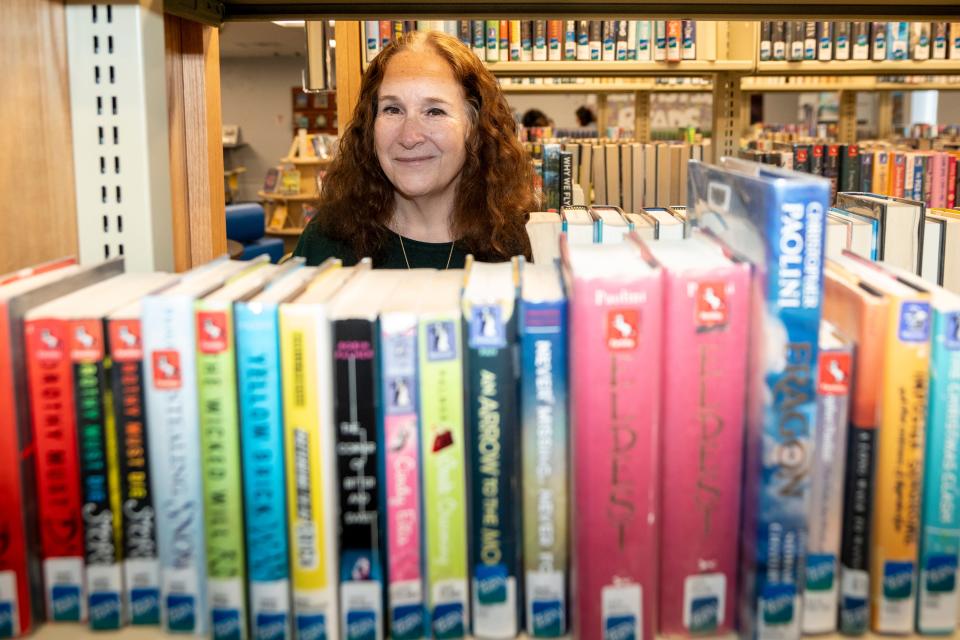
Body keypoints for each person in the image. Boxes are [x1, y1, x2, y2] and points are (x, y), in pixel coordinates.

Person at [293, 31, 535, 268]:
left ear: (474, 127)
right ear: (370, 125)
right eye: (392, 109)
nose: (409, 137)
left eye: (434, 111)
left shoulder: (522, 241)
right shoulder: (326, 241)